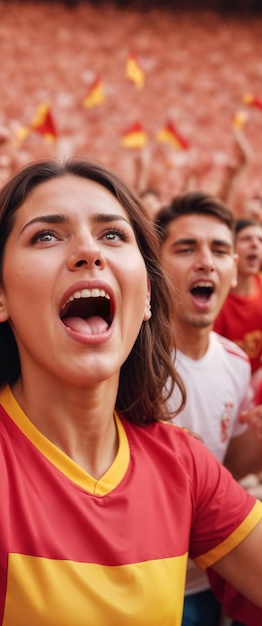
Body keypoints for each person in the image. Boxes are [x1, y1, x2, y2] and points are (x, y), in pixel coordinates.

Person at [0, 159, 262, 626]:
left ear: (146, 298)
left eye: (114, 235)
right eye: (46, 236)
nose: (87, 252)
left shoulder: (183, 464)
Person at [155, 192, 262, 626]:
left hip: (206, 582)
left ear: (234, 268)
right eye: (186, 248)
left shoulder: (236, 363)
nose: (206, 261)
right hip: (134, 580)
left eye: (220, 250)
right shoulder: (121, 365)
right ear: (154, 266)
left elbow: (230, 467)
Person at [214, 218, 262, 392]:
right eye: (246, 239)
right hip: (225, 386)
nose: (255, 244)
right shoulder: (214, 298)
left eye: (260, 240)